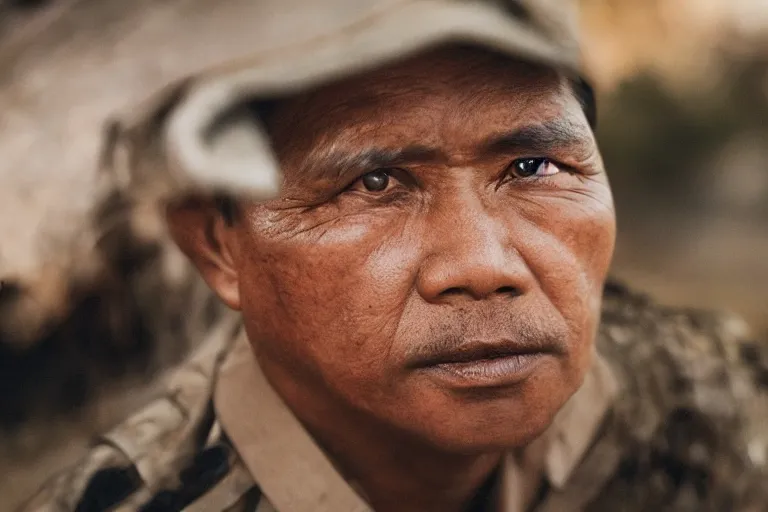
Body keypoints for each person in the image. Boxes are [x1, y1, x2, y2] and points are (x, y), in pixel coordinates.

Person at [21, 0, 768, 511]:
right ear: (218, 245)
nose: (482, 265)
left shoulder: (708, 394)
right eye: (375, 182)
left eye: (532, 167)